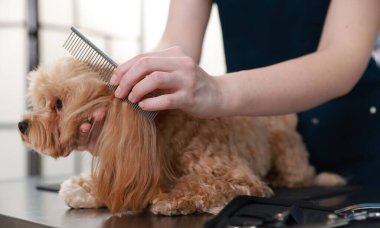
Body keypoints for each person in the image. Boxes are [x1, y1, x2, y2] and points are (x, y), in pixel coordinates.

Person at [79, 0, 380, 185]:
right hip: (254, 146)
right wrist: (135, 94)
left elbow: (343, 57)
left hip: (351, 145)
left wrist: (219, 92)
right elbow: (177, 41)